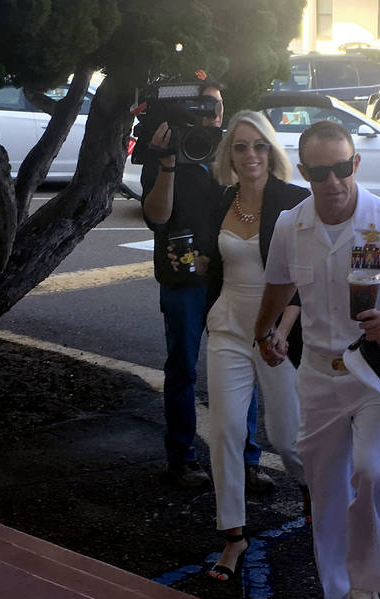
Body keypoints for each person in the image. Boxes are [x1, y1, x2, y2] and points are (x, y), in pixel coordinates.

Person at [254, 120, 380, 599]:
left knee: (375, 474)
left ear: (355, 164)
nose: (332, 180)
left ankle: (367, 591)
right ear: (306, 170)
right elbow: (277, 285)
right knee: (327, 490)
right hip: (317, 377)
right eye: (319, 171)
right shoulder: (292, 225)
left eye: (342, 167)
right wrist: (264, 333)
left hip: (378, 376)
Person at [197, 111, 310, 581]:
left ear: (271, 150)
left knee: (287, 437)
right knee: (225, 431)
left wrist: (281, 332)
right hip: (228, 328)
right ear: (230, 154)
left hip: (278, 334)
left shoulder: (294, 201)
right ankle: (233, 535)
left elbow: (304, 279)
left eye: (259, 145)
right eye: (241, 147)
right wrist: (200, 265)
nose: (250, 155)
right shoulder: (221, 200)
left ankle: (310, 487)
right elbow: (213, 262)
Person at [141, 76, 265, 489]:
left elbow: (254, 208)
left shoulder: (233, 153)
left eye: (216, 106)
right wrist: (169, 160)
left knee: (243, 366)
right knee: (183, 368)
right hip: (184, 278)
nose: (210, 114)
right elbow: (158, 217)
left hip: (232, 276)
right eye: (202, 105)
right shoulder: (166, 152)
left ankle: (247, 460)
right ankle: (181, 458)